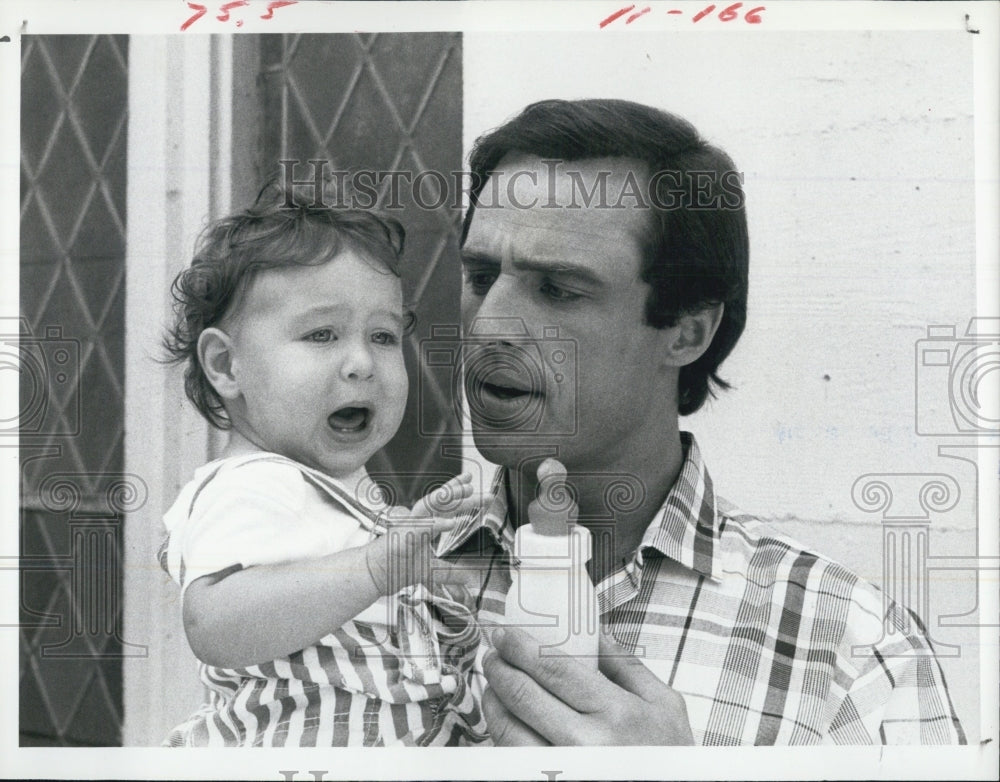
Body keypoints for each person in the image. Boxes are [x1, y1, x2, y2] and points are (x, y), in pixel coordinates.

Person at [434, 98, 966, 745]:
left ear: (687, 330)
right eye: (481, 274)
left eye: (559, 290)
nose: (488, 324)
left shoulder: (853, 652)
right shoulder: (360, 587)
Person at [158, 184, 489, 746]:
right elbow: (213, 623)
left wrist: (416, 568)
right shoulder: (250, 485)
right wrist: (376, 569)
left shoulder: (328, 489)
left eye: (384, 336)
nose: (362, 362)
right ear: (225, 365)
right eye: (322, 334)